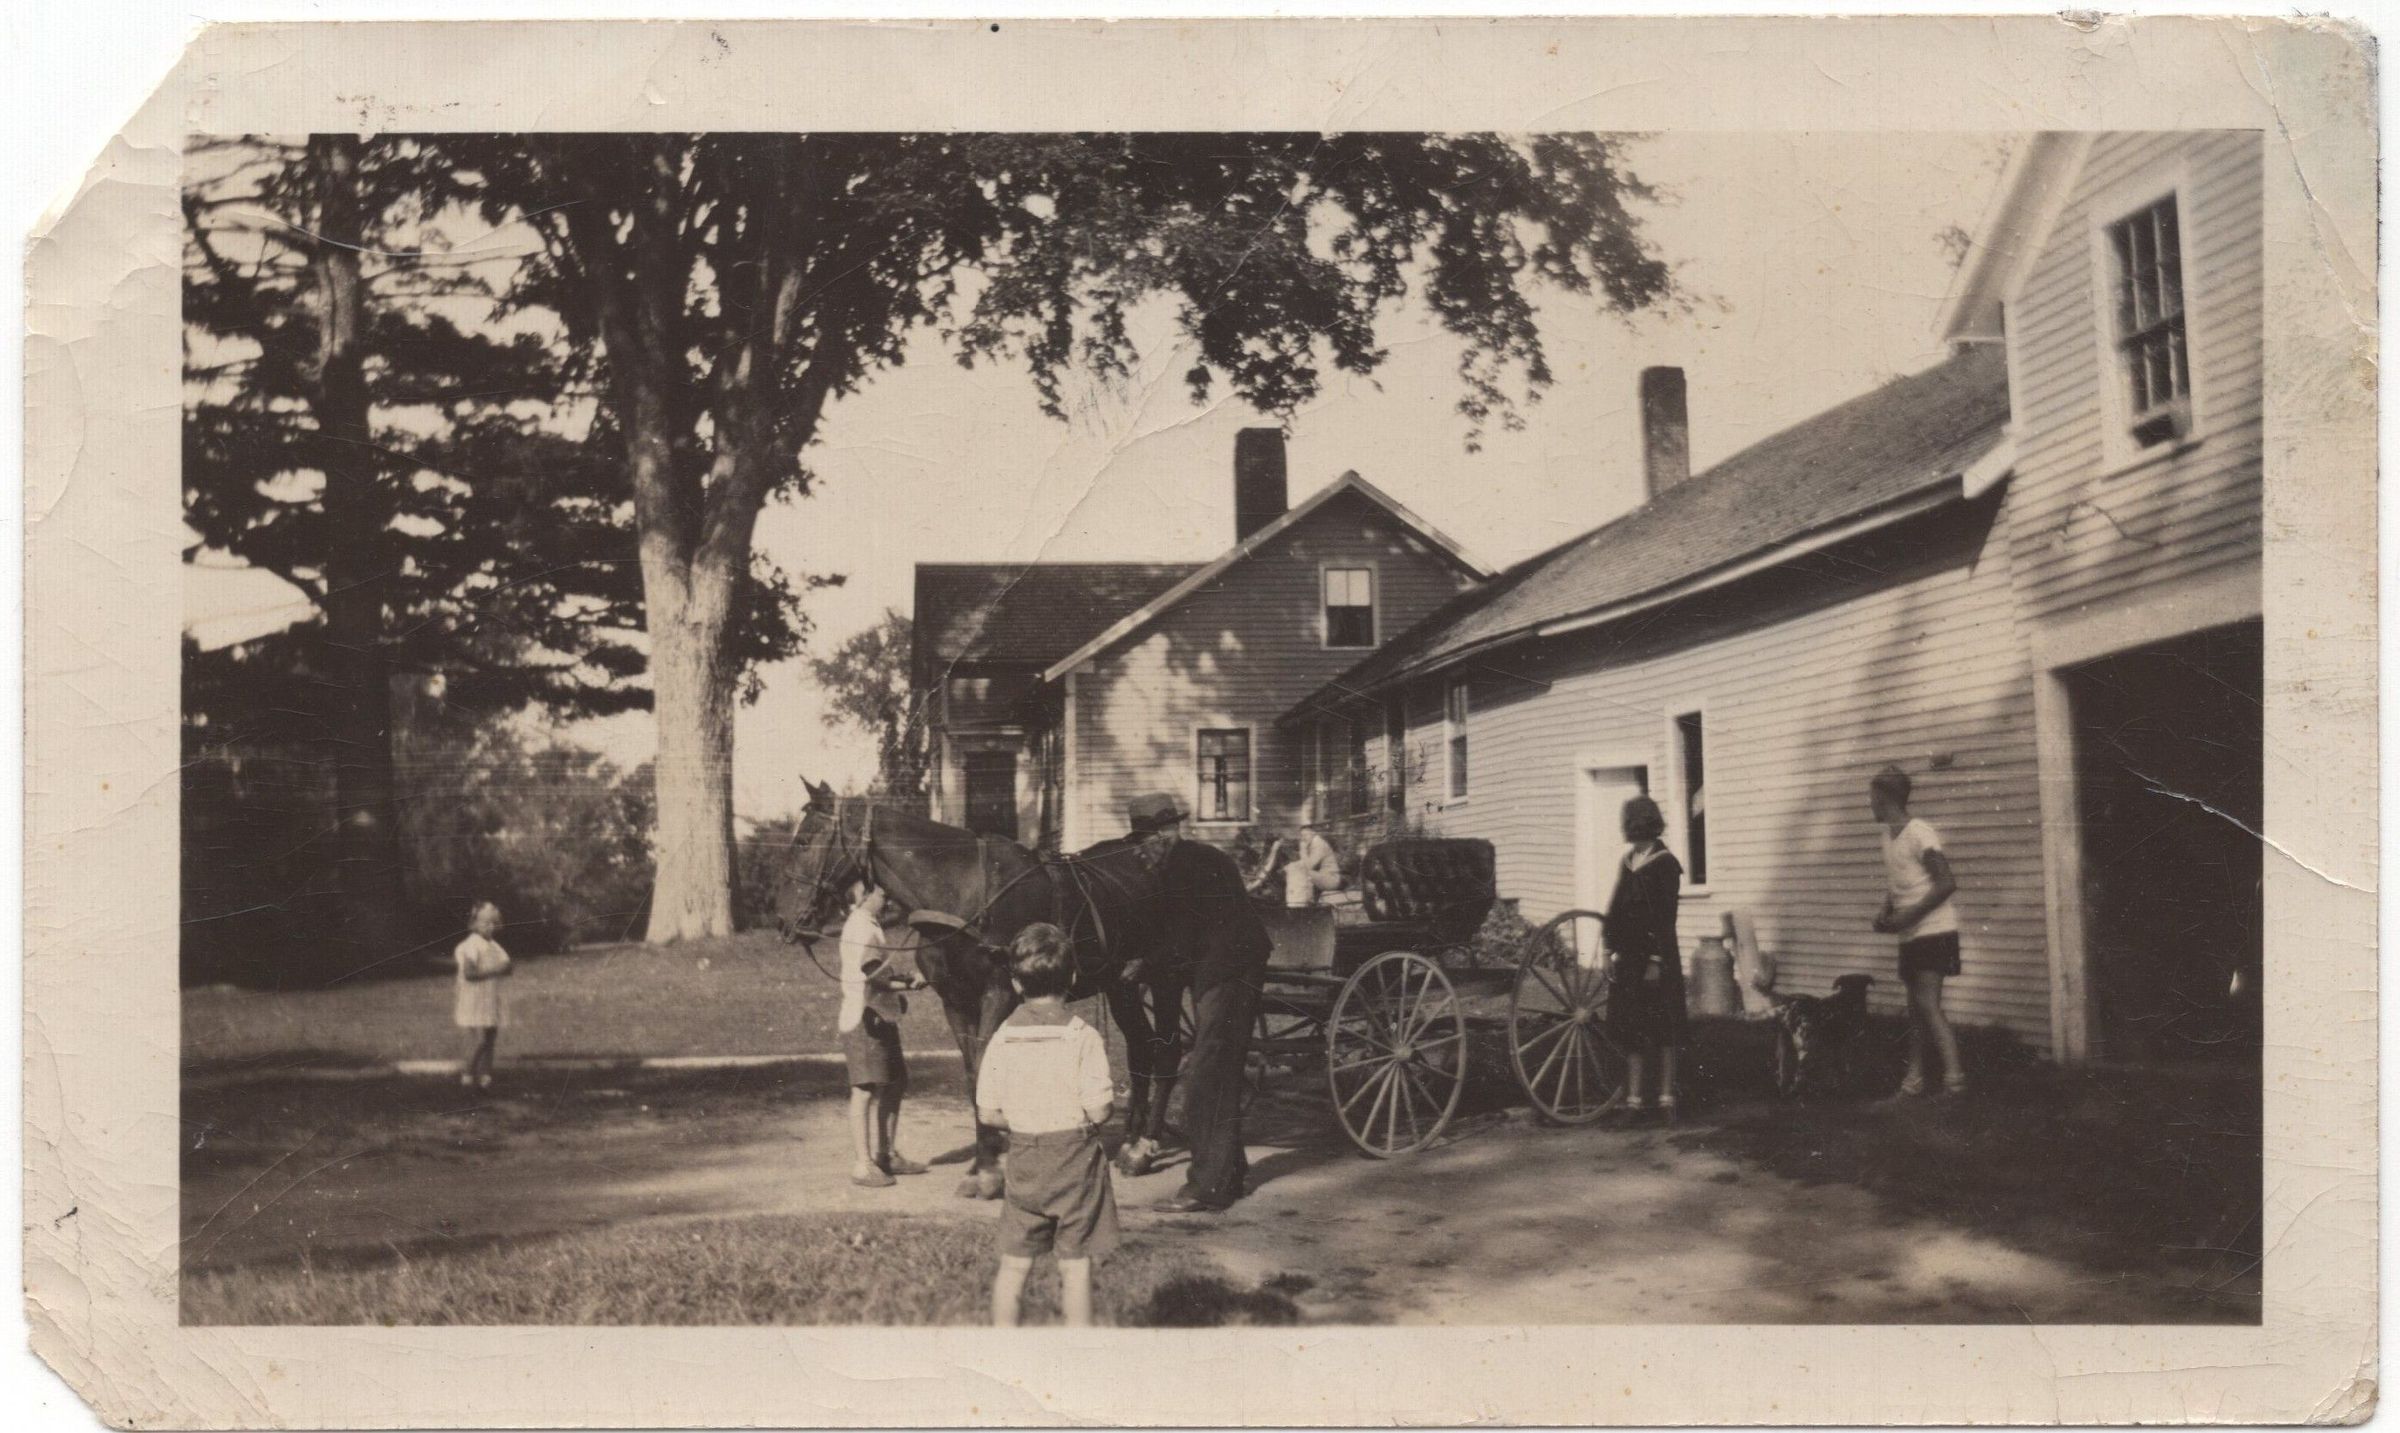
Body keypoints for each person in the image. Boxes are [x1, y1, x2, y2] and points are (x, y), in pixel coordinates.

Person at [1127, 791, 1273, 1212]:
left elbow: (1182, 938)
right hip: (1227, 967)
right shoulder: (1194, 859)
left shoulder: (1184, 868)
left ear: (1163, 835)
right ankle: (1230, 1173)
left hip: (1229, 972)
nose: (1141, 851)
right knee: (1219, 1072)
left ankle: (1207, 1188)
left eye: (1144, 841)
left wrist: (1143, 964)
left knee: (1206, 1077)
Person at [979, 923, 1119, 1327]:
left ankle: (1002, 1348)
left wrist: (1024, 1119)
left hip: (1025, 1158)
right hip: (1075, 1162)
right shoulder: (1082, 1036)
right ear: (1072, 978)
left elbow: (987, 1113)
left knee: (1014, 1264)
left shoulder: (1002, 1038)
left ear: (1016, 983)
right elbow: (1100, 1111)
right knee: (1075, 1267)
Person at [1870, 765, 1967, 1097]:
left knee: (1927, 1004)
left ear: (1885, 798)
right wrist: (1886, 912)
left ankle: (1955, 1081)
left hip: (1935, 930)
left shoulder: (1919, 832)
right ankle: (1914, 1081)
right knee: (1915, 1010)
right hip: (1911, 933)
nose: (1870, 804)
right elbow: (1900, 882)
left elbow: (1946, 883)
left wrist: (1908, 916)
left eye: (1872, 797)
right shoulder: (1888, 836)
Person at [1601, 796, 1686, 1124]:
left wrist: (1655, 960)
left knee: (1664, 1029)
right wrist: (1608, 950)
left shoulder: (1666, 864)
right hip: (1629, 958)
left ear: (1651, 828)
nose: (1635, 836)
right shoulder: (1628, 862)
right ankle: (1634, 1103)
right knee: (1632, 1030)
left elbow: (1665, 917)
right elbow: (1615, 908)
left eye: (1640, 830)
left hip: (1657, 957)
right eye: (1631, 829)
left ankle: (1666, 1101)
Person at [838, 881, 927, 1187]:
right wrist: (912, 984)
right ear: (863, 895)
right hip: (863, 1017)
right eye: (882, 895)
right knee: (864, 1090)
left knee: (896, 1082)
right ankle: (863, 1165)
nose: (887, 900)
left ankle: (886, 1155)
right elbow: (875, 977)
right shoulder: (861, 927)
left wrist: (904, 980)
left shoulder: (868, 923)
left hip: (879, 1016)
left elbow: (876, 972)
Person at [453, 900, 514, 1090]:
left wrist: (504, 968)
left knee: (490, 1038)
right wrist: (496, 970)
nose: (490, 926)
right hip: (474, 999)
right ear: (474, 923)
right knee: (480, 1040)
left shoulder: (494, 946)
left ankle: (485, 1077)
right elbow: (469, 974)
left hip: (490, 997)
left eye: (493, 922)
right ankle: (467, 1074)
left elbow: (508, 966)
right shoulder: (471, 945)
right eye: (485, 922)